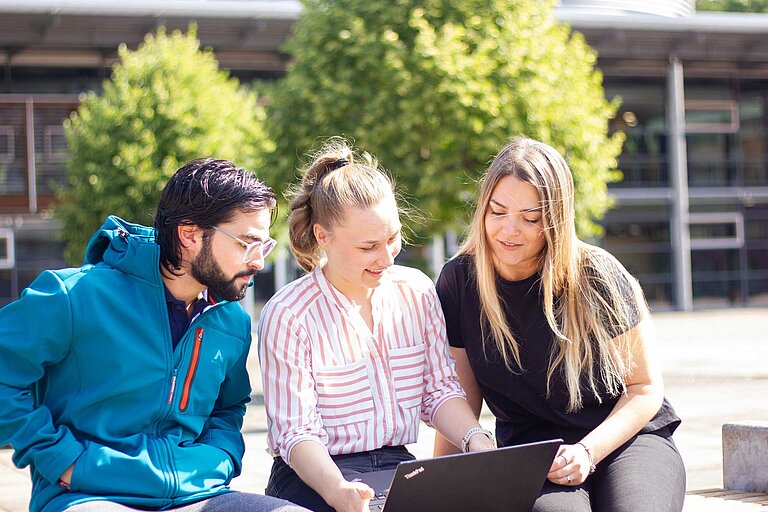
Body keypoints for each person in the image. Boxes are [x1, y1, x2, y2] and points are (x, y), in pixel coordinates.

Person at [0, 159, 309, 512]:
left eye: (263, 246)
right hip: (90, 494)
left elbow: (228, 407)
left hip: (199, 494)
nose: (258, 262)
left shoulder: (231, 322)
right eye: (246, 243)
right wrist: (61, 459)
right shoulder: (74, 296)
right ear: (189, 235)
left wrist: (221, 457)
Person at [433, 137, 686, 512]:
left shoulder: (597, 274)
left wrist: (588, 450)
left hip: (628, 439)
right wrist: (439, 487)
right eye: (498, 212)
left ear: (555, 220)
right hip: (537, 452)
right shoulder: (459, 281)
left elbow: (644, 388)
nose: (509, 230)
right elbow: (460, 401)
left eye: (530, 218)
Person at [258, 139, 495, 512]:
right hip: (314, 474)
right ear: (322, 236)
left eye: (392, 238)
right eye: (368, 247)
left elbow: (438, 391)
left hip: (395, 465)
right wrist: (338, 491)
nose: (386, 258)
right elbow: (296, 433)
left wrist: (476, 440)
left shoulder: (417, 292)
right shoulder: (289, 314)